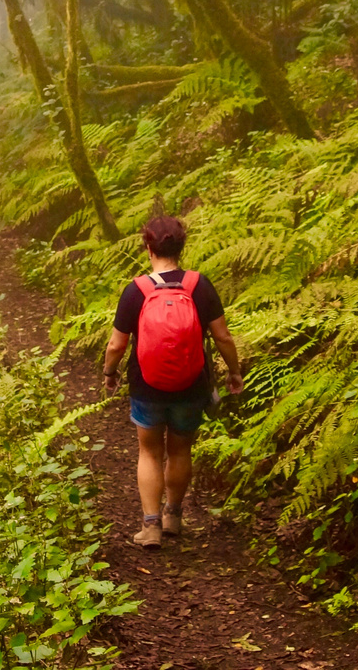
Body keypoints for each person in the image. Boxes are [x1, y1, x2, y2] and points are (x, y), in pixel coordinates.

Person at [101, 214, 243, 549]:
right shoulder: (199, 285)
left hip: (146, 386)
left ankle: (150, 527)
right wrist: (234, 371)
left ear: (148, 247)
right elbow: (222, 337)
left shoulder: (136, 291)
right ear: (182, 246)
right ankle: (173, 517)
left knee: (149, 452)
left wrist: (110, 373)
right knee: (180, 450)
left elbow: (116, 344)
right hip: (191, 384)